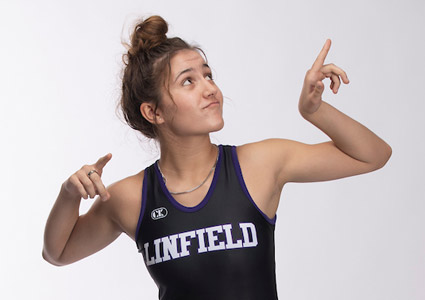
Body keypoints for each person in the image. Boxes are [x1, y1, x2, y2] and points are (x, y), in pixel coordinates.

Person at [42, 15, 392, 299]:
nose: (210, 88)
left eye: (208, 75)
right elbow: (57, 253)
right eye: (188, 82)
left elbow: (372, 155)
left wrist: (314, 111)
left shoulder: (259, 165)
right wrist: (69, 194)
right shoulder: (131, 197)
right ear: (154, 112)